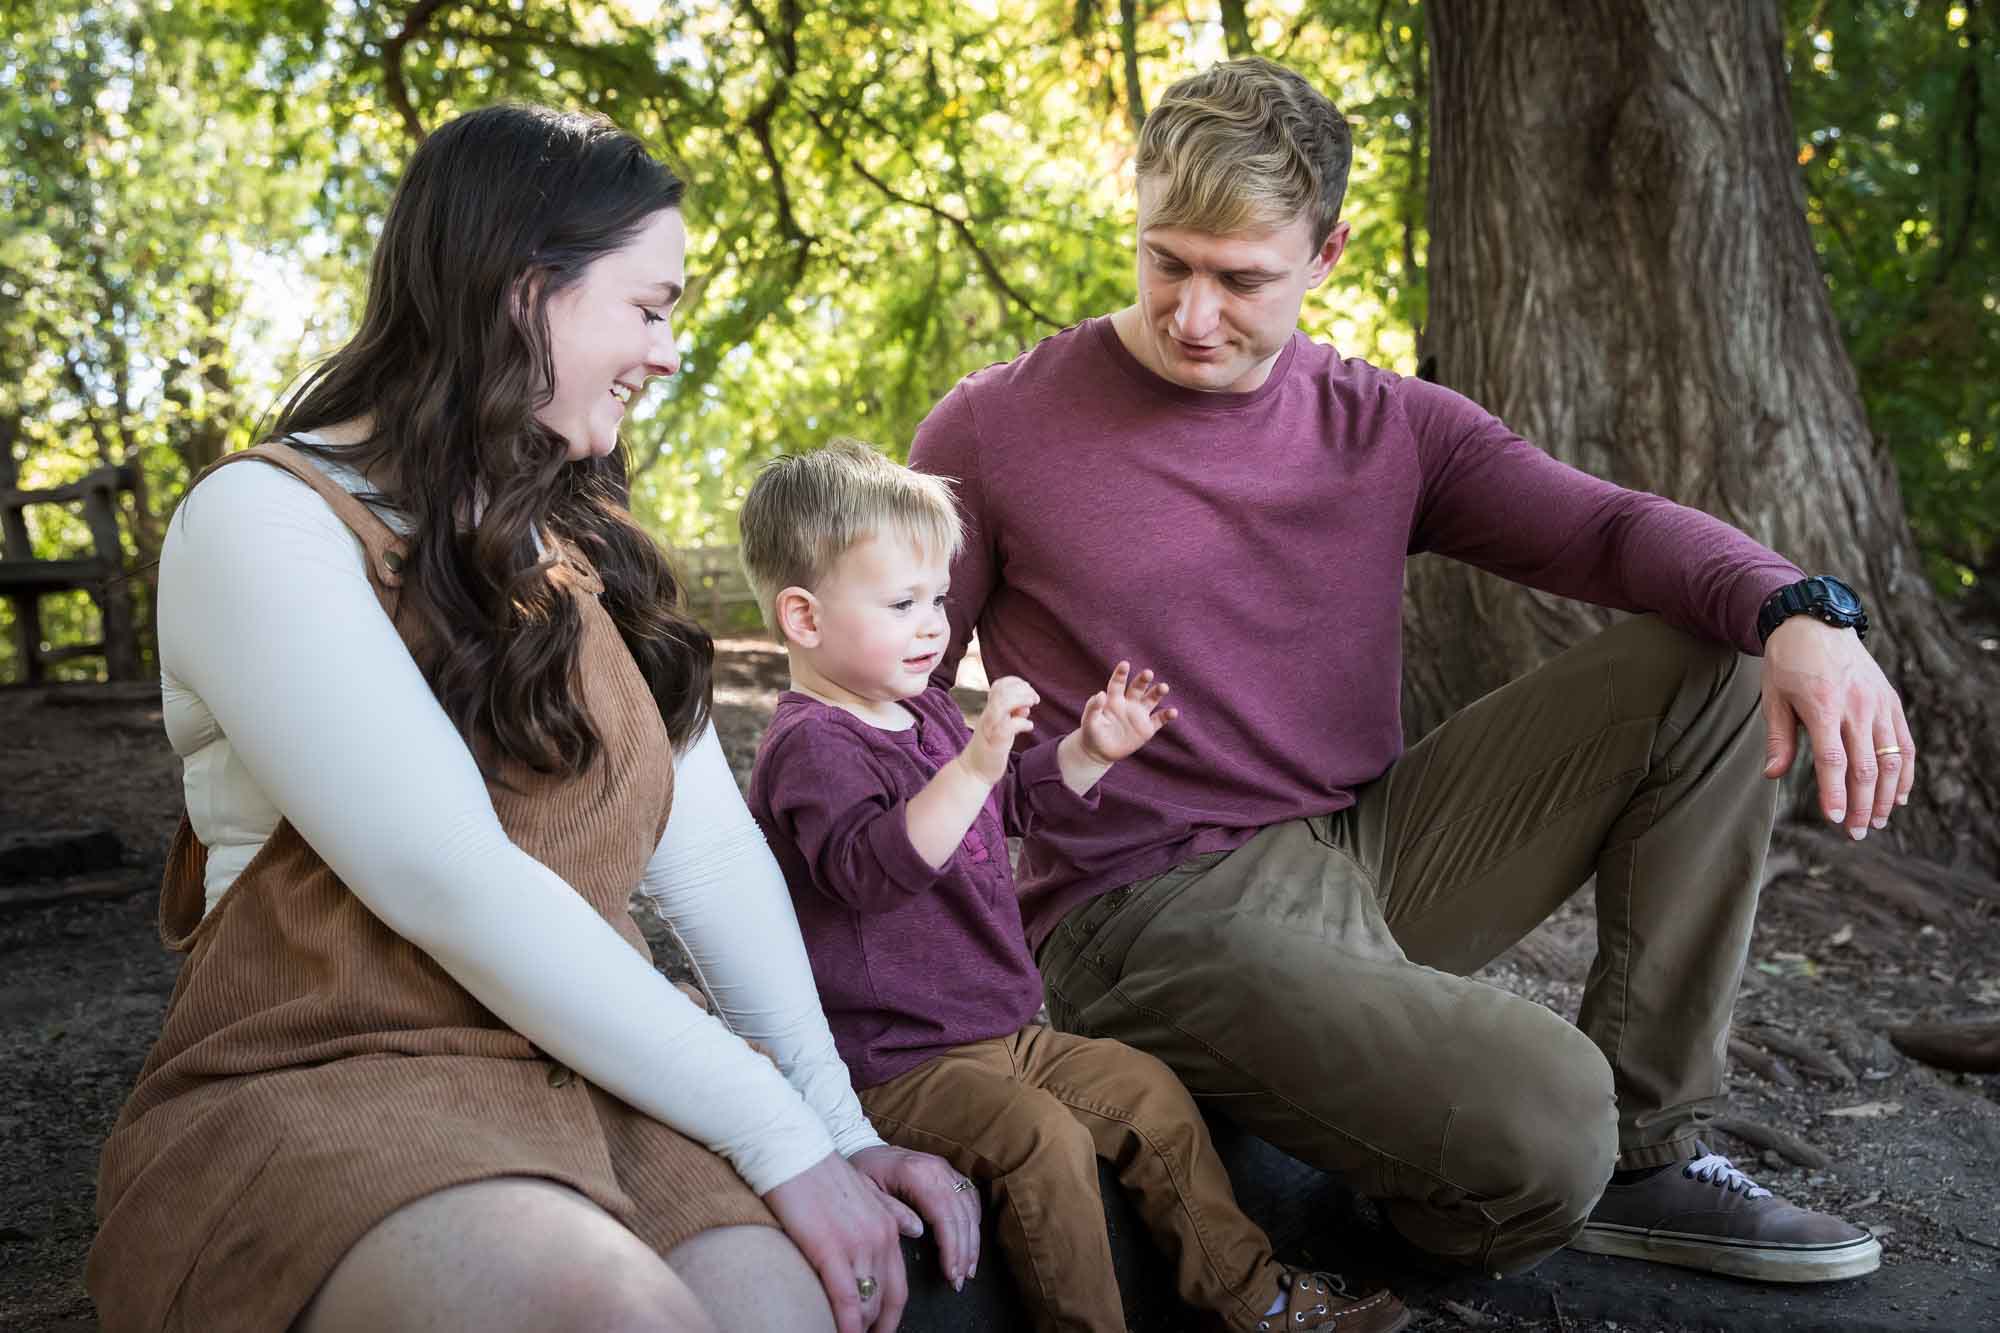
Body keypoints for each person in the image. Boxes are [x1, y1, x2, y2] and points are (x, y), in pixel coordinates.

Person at [909, 57, 1913, 1286]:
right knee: (1547, 1118)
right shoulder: (994, 428)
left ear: (1324, 256)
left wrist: (1800, 608)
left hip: (1369, 852)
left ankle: (1645, 1163)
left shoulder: (1384, 425)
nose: (1191, 315)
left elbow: (1607, 530)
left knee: (1707, 665)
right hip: (1149, 905)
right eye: (1165, 262)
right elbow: (892, 714)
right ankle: (1396, 1215)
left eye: (1240, 280)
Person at [87, 105, 975, 1333]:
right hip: (336, 1072)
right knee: (602, 1312)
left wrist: (837, 1130)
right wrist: (773, 1133)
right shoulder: (262, 522)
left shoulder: (584, 555)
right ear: (522, 292)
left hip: (592, 1075)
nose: (666, 352)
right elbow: (452, 881)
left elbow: (709, 855)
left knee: (783, 1312)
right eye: (648, 306)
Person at [735, 438, 1410, 1333]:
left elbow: (1004, 803)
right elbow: (872, 869)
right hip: (895, 1061)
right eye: (902, 603)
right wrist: (975, 765)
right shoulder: (813, 746)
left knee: (1147, 1091)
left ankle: (1255, 1299)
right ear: (804, 618)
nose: (935, 624)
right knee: (1042, 1142)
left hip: (1005, 1026)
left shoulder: (926, 709)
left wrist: (1086, 751)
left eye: (939, 597)